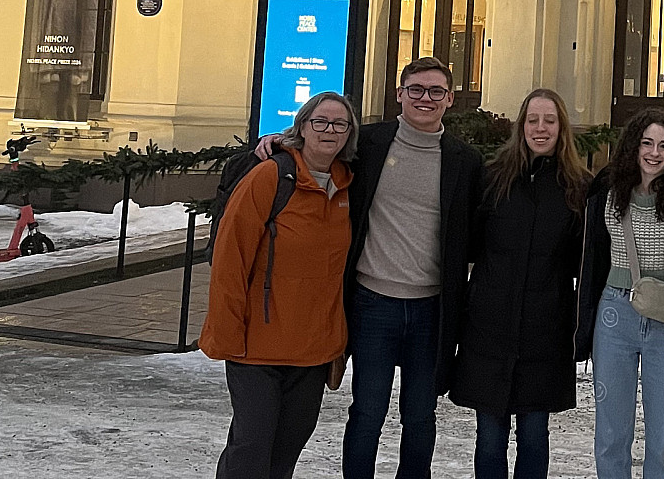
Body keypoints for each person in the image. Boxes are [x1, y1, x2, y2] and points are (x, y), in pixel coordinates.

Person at [259, 56, 487, 479]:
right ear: (399, 94)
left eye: (435, 91)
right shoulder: (370, 143)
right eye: (415, 90)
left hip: (430, 308)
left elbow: (473, 230)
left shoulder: (464, 160)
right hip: (372, 303)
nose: (425, 99)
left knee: (420, 416)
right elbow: (319, 150)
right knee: (367, 411)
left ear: (450, 99)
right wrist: (282, 143)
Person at [201, 92, 359, 479]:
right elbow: (230, 258)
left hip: (313, 349)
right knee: (251, 450)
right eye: (319, 121)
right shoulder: (271, 176)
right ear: (301, 127)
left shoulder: (347, 184)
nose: (329, 131)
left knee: (287, 449)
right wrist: (226, 331)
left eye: (340, 124)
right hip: (257, 346)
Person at [450, 88, 590, 479]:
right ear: (521, 125)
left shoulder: (578, 186)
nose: (540, 128)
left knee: (533, 435)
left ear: (561, 127)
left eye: (549, 120)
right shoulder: (493, 177)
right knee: (489, 438)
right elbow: (469, 244)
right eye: (533, 120)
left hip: (545, 330)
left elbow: (585, 258)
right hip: (489, 327)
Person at [575, 107, 664, 479]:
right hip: (615, 314)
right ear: (633, 146)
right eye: (647, 143)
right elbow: (592, 255)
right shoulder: (607, 189)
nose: (654, 153)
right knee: (611, 431)